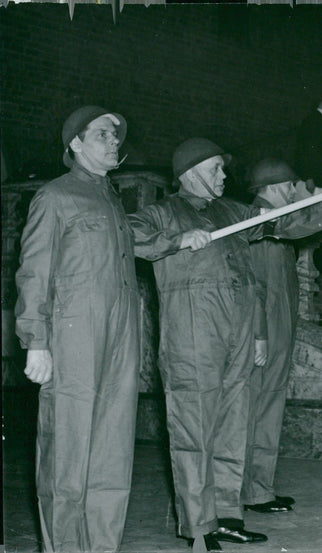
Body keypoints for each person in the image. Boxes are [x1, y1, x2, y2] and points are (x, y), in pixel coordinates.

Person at [128, 139, 322, 551]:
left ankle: (226, 516)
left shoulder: (233, 212)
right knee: (194, 433)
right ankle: (198, 528)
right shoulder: (163, 212)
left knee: (232, 429)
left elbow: (286, 223)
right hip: (193, 337)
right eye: (217, 169)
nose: (225, 176)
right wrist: (178, 240)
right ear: (191, 172)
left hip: (236, 335)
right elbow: (126, 234)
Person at [15, 105, 139, 552]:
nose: (114, 142)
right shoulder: (54, 197)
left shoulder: (112, 200)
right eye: (104, 134)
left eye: (116, 137)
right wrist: (36, 343)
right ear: (76, 143)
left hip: (121, 339)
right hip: (74, 339)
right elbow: (34, 273)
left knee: (112, 450)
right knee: (66, 453)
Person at [242, 158, 322, 514]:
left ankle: (259, 489)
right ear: (278, 188)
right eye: (291, 188)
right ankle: (248, 489)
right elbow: (255, 288)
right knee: (258, 408)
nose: (293, 193)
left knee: (269, 407)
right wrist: (258, 335)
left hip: (278, 328)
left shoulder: (276, 222)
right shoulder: (261, 221)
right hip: (263, 332)